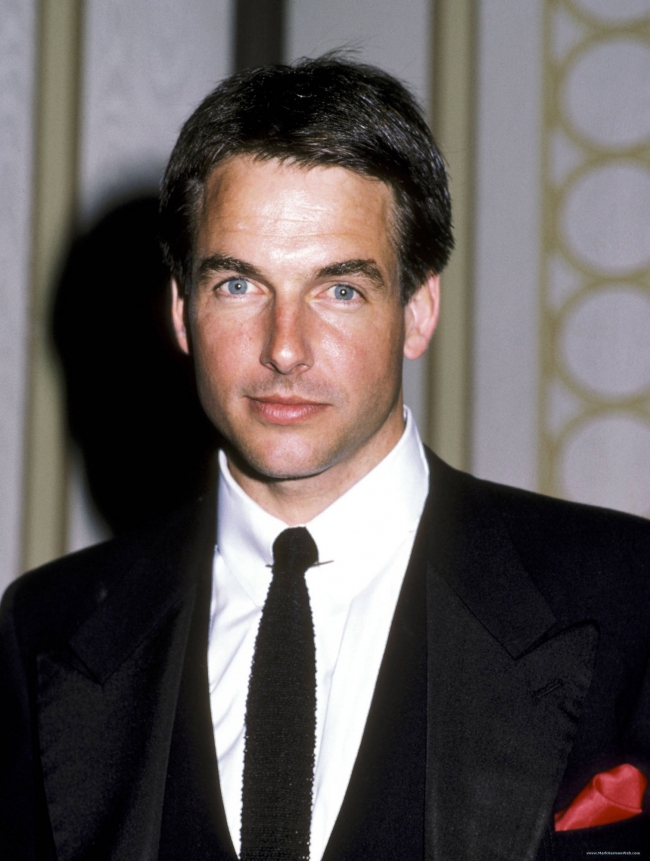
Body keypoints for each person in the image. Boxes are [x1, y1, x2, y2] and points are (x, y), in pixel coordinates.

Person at [1, 56, 649, 861]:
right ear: (181, 309)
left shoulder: (629, 598)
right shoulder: (47, 631)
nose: (284, 347)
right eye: (238, 285)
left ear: (418, 310)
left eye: (339, 289)